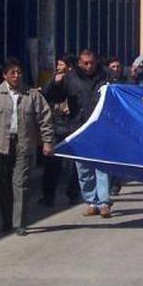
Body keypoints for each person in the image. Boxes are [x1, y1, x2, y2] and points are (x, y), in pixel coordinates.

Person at [0, 59, 55, 236]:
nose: (16, 76)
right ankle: (7, 220)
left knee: (21, 184)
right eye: (12, 73)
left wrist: (47, 142)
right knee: (4, 185)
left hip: (24, 144)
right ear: (5, 75)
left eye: (19, 72)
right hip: (1, 145)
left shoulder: (33, 95)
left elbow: (45, 120)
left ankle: (20, 223)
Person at [44, 50, 113, 217]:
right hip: (79, 127)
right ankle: (91, 201)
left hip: (101, 126)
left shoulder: (106, 77)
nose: (89, 66)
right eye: (85, 63)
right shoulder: (70, 79)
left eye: (92, 63)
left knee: (102, 166)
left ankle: (104, 202)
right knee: (83, 168)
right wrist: (55, 82)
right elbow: (52, 96)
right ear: (80, 63)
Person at [40, 57, 80, 206]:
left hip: (73, 125)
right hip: (56, 125)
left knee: (74, 164)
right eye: (57, 64)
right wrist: (54, 82)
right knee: (52, 163)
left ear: (69, 66)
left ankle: (73, 193)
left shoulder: (76, 81)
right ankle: (48, 196)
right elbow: (45, 94)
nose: (58, 67)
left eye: (61, 64)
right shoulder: (55, 79)